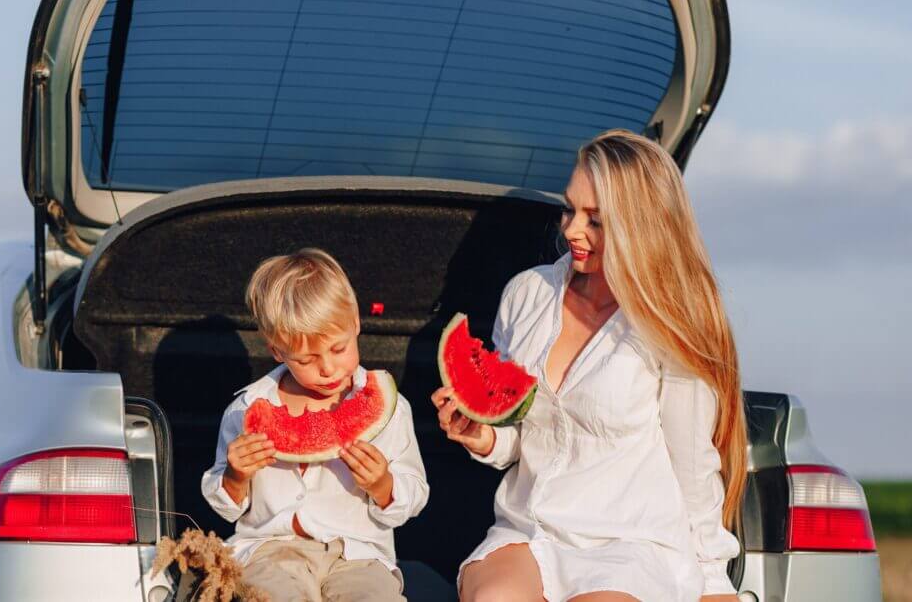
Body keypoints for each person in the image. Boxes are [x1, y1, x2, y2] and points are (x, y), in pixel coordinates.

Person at [433, 129, 746, 602]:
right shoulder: (528, 294)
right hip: (532, 529)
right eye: (570, 209)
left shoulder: (669, 321)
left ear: (639, 225)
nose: (571, 230)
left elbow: (692, 463)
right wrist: (483, 435)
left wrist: (713, 580)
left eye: (595, 220)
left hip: (631, 544)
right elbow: (519, 431)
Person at [202, 248, 429, 602]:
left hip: (359, 555)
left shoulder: (392, 409)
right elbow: (226, 506)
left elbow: (414, 493)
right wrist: (234, 477)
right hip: (269, 551)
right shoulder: (245, 409)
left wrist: (383, 484)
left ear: (356, 323)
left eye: (338, 349)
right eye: (307, 359)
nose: (327, 368)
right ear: (277, 350)